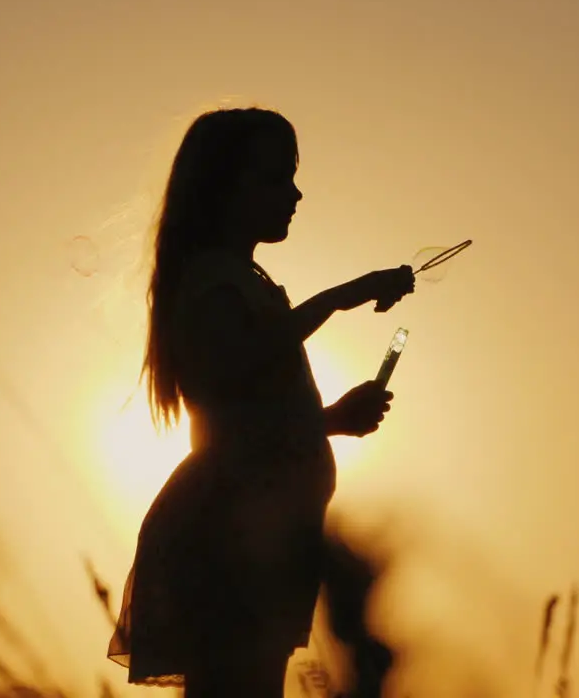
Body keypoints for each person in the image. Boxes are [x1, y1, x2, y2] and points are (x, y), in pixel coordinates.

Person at [107, 107, 415, 696]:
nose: (295, 193)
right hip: (228, 537)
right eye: (275, 176)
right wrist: (340, 298)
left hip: (263, 535)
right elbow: (238, 364)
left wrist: (328, 422)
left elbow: (245, 420)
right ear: (222, 189)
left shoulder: (245, 281)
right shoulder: (210, 281)